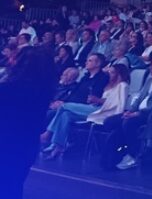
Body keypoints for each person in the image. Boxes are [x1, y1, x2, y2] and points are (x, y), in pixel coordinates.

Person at [0, 47, 58, 199]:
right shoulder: (44, 92)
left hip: (4, 144)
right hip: (26, 146)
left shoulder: (6, 90)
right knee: (13, 187)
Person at [101, 55, 152, 170]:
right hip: (137, 111)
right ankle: (118, 150)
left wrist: (137, 114)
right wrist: (130, 110)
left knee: (127, 123)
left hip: (150, 114)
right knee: (110, 122)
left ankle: (133, 154)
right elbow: (140, 98)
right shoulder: (149, 79)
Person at [41, 64, 130, 159]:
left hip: (105, 112)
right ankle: (58, 146)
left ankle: (48, 133)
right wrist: (96, 100)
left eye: (112, 72)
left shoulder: (123, 85)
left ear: (119, 74)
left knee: (64, 106)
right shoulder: (109, 85)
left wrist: (99, 100)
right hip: (97, 107)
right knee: (66, 115)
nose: (109, 74)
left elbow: (118, 104)